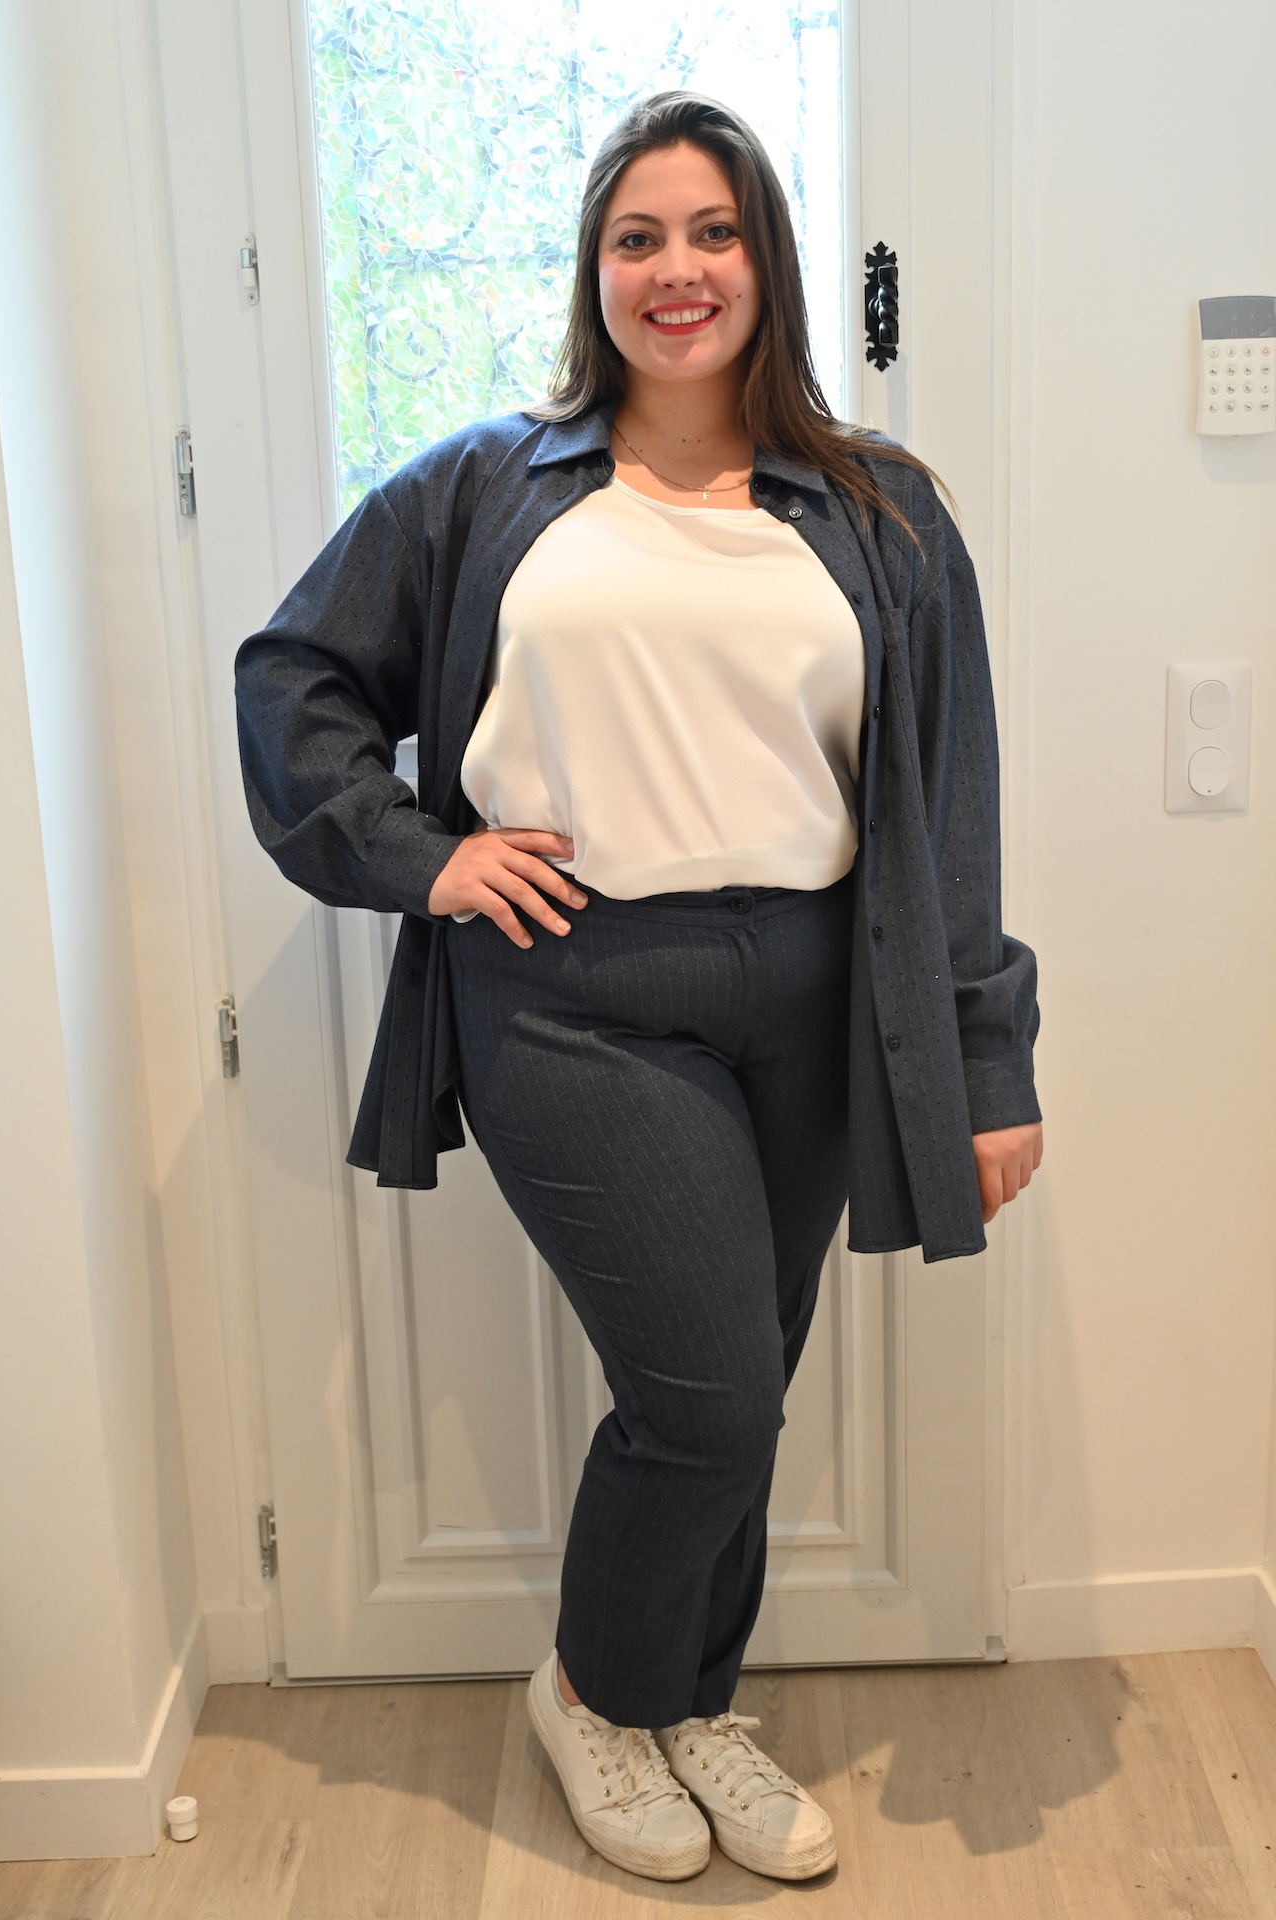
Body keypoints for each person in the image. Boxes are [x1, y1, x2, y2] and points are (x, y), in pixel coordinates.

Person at [235, 90, 1042, 1886]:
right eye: (638, 238)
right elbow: (294, 678)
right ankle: (598, 1695)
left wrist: (989, 1059)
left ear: (770, 261)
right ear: (594, 271)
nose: (679, 271)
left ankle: (694, 1707)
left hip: (817, 997)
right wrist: (423, 856)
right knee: (713, 1400)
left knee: (746, 1383)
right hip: (574, 992)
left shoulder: (884, 509)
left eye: (716, 232)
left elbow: (950, 802)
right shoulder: (483, 488)